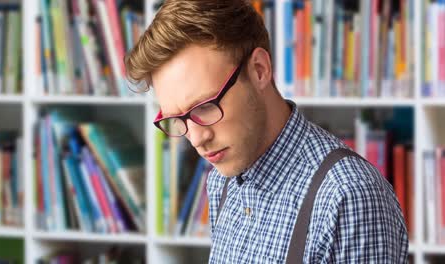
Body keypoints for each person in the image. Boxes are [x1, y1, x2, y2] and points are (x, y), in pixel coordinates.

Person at [124, 0, 409, 263]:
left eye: (205, 106)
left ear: (259, 70)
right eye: (177, 119)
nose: (197, 139)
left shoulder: (348, 196)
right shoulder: (220, 181)